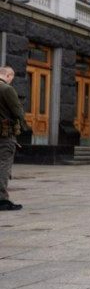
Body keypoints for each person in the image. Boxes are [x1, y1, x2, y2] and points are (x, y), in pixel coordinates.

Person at [0, 66, 27, 211]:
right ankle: (2, 200)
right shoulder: (7, 89)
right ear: (9, 76)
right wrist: (25, 128)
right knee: (3, 165)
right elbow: (17, 112)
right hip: (4, 136)